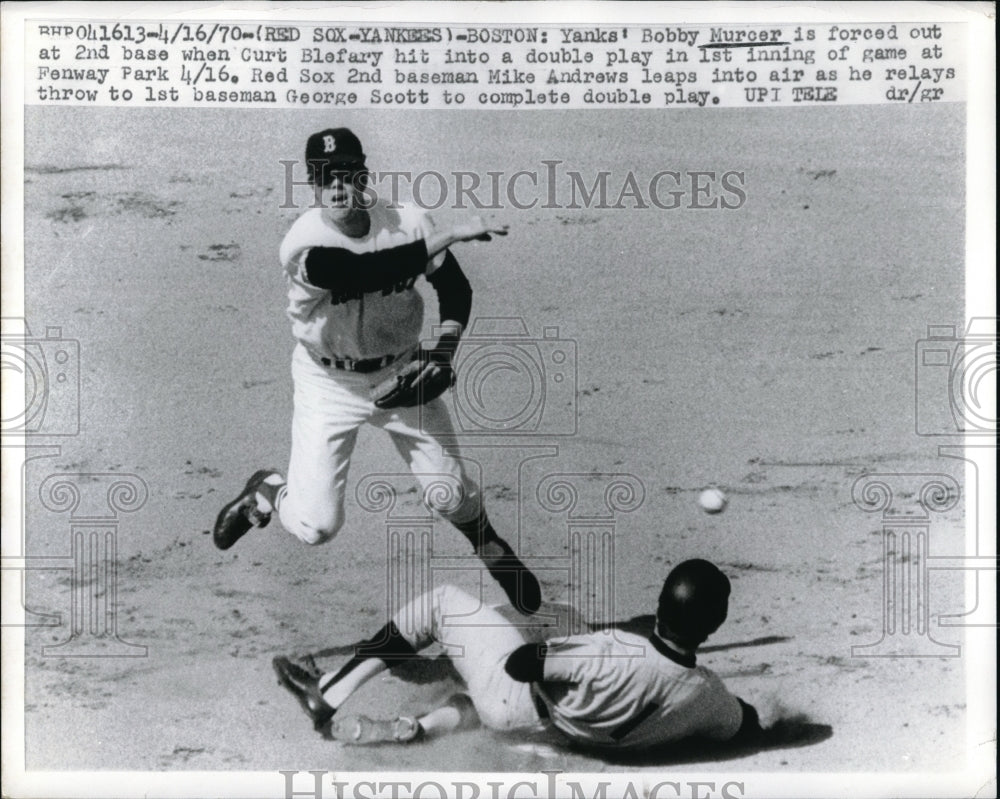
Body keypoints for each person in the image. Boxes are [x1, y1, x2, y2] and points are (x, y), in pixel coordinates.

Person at [213, 127, 541, 614]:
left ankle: (487, 543)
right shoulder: (303, 245)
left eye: (346, 174)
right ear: (313, 184)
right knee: (315, 527)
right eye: (326, 179)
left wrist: (444, 352)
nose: (338, 188)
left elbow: (455, 289)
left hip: (402, 369)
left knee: (450, 494)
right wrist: (448, 233)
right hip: (329, 383)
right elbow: (364, 272)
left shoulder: (407, 221)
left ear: (364, 176)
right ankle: (267, 489)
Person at [272, 559, 763, 750]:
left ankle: (330, 691)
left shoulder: (614, 652)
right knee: (486, 699)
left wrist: (559, 647)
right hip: (566, 736)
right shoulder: (710, 695)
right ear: (714, 626)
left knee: (444, 605)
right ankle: (419, 729)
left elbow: (523, 665)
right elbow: (747, 723)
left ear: (658, 606)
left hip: (520, 704)